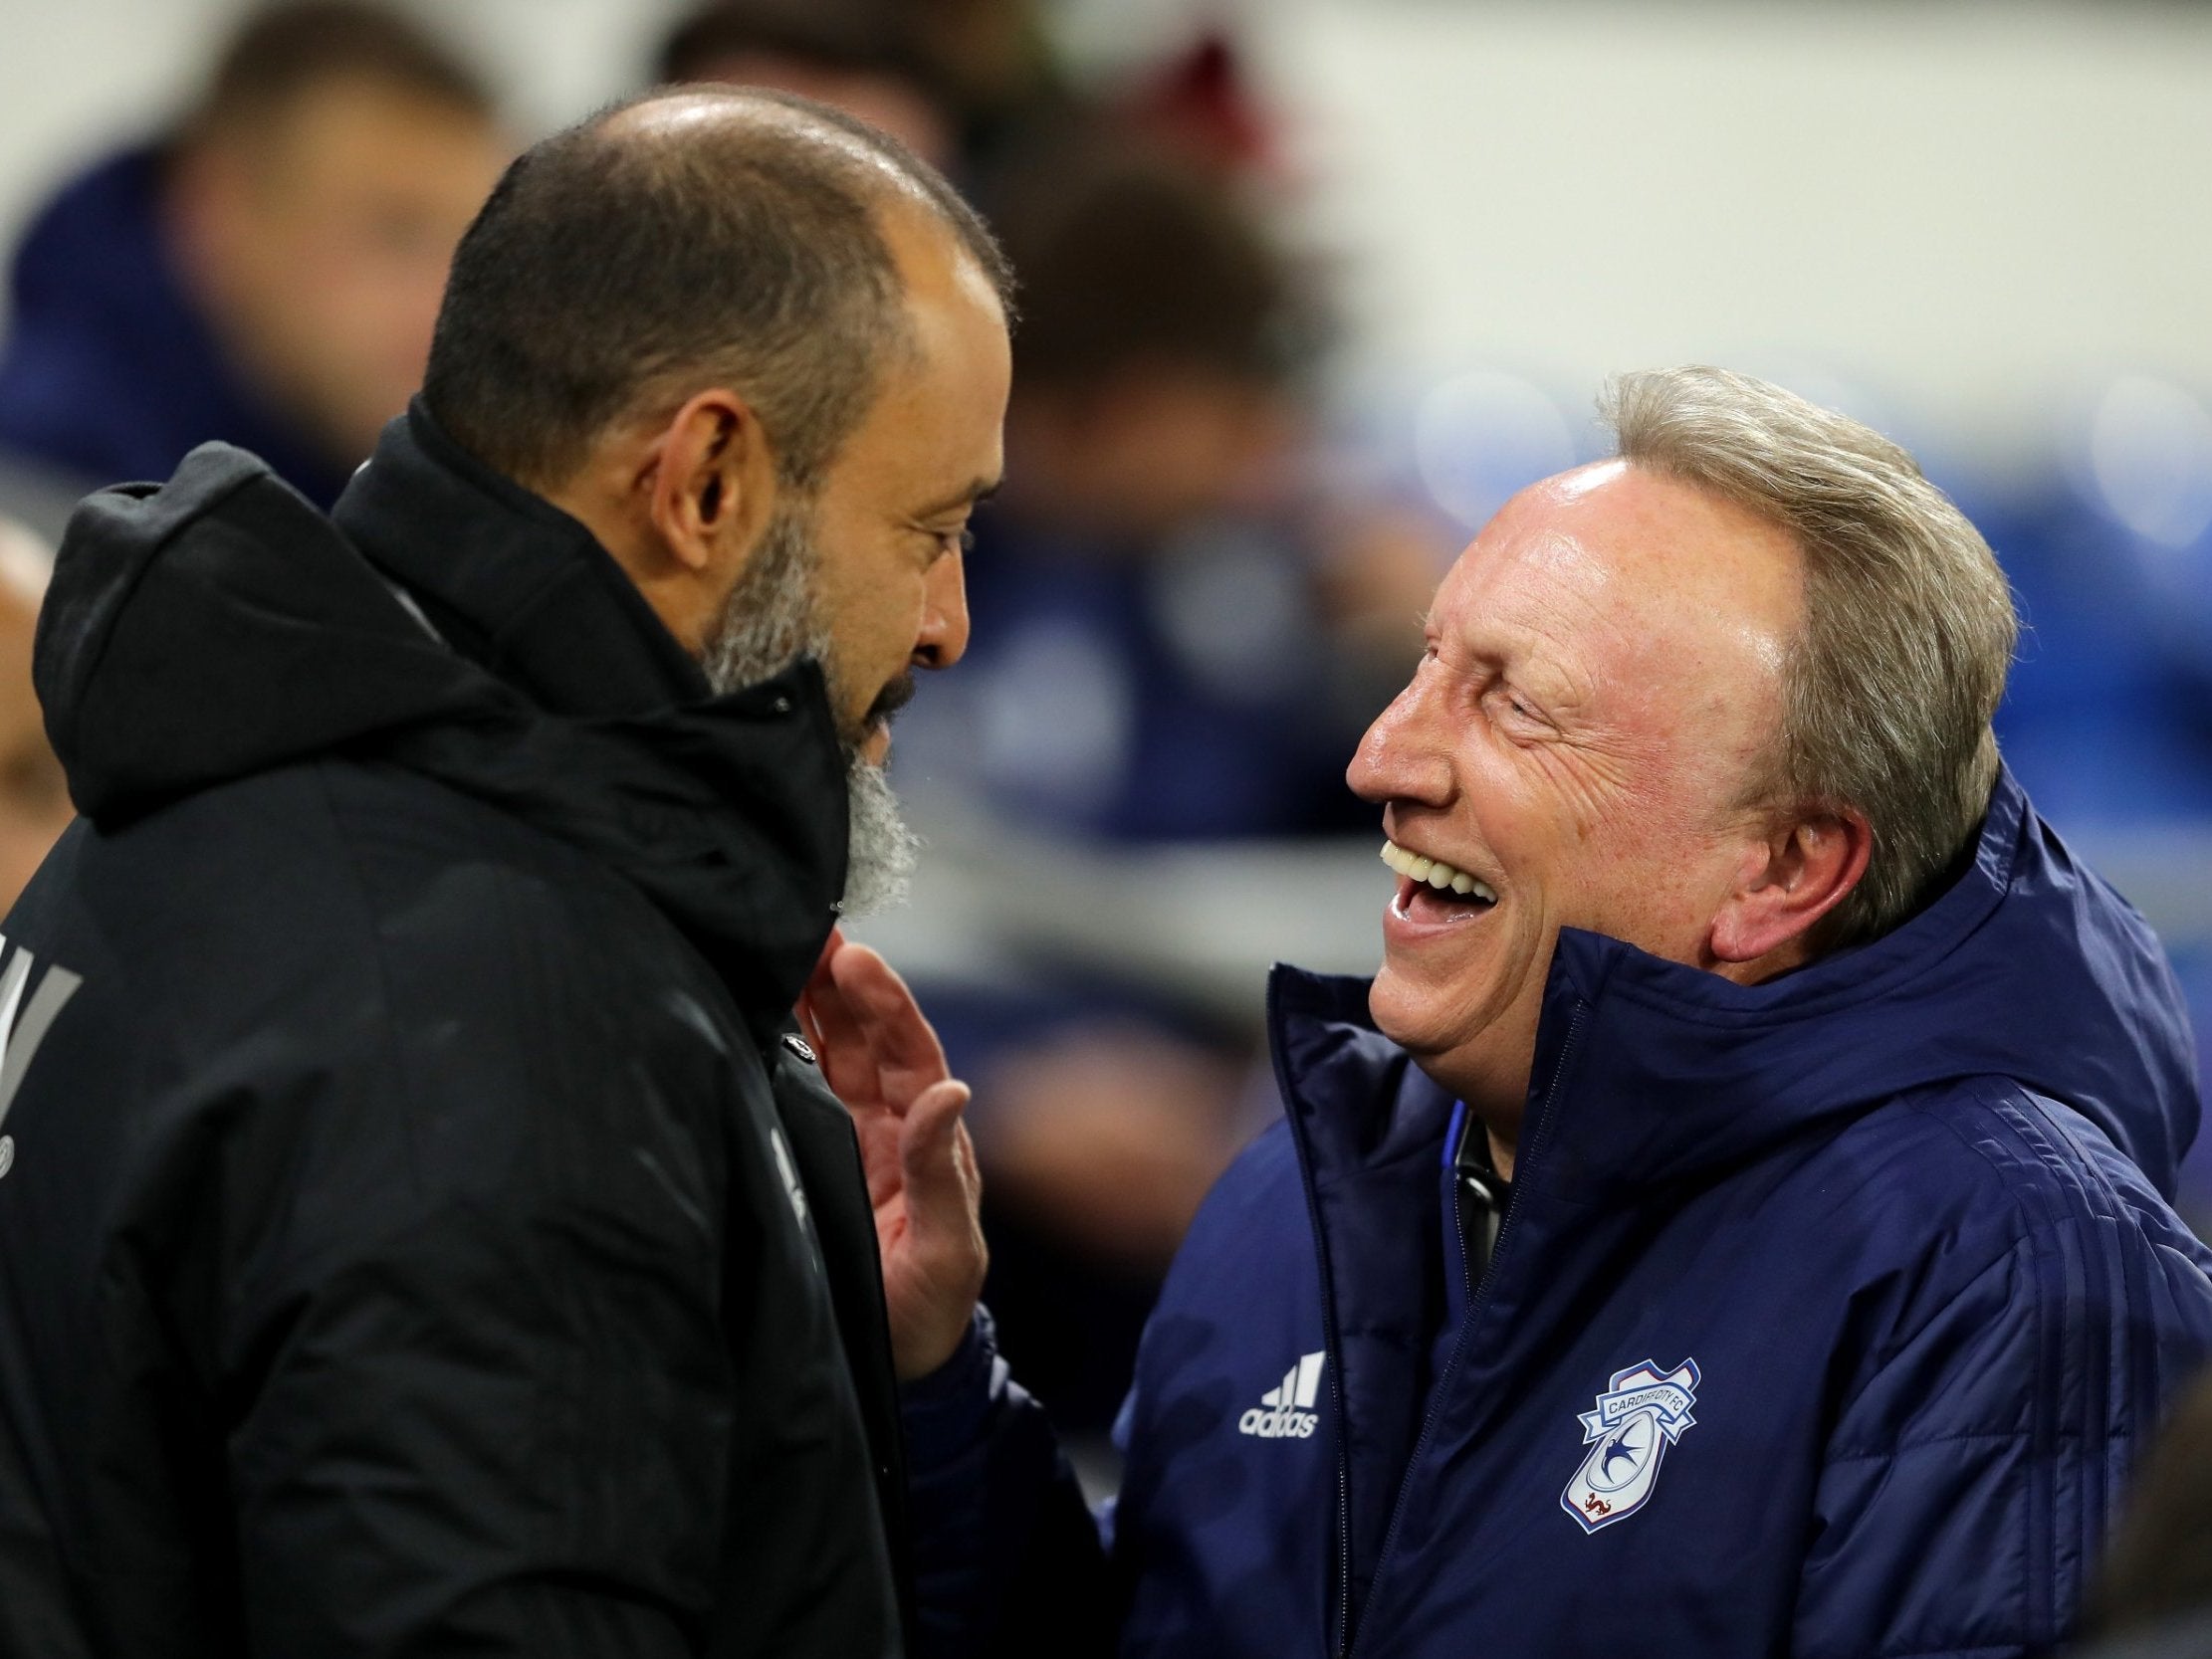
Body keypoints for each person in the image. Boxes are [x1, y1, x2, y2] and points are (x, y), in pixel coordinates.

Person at [809, 367, 2212, 1657]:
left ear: (1783, 866)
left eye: (1514, 704)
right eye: (1425, 667)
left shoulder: (2011, 1272)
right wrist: (933, 1375)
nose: (1381, 755)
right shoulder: (1303, 1188)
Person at [0, 85, 1010, 1657]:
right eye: (929, 528)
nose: (949, 619)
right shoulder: (505, 1017)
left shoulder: (193, 818)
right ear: (704, 484)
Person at [0, 1, 506, 512]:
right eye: (396, 234)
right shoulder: (33, 510)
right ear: (216, 213)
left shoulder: (381, 496)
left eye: (478, 245)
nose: (452, 300)